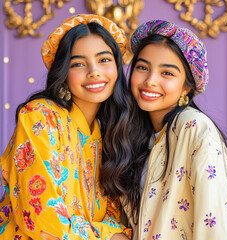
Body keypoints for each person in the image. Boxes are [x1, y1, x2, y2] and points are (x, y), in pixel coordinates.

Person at [100, 20, 227, 239]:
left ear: (186, 87)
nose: (150, 81)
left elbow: (217, 226)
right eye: (142, 67)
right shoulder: (134, 138)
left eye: (167, 73)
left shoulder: (195, 129)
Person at [0, 14, 132, 239]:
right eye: (78, 63)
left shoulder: (110, 135)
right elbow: (44, 217)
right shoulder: (40, 117)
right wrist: (109, 235)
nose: (94, 71)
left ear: (117, 68)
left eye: (104, 60)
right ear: (63, 73)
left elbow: (113, 216)